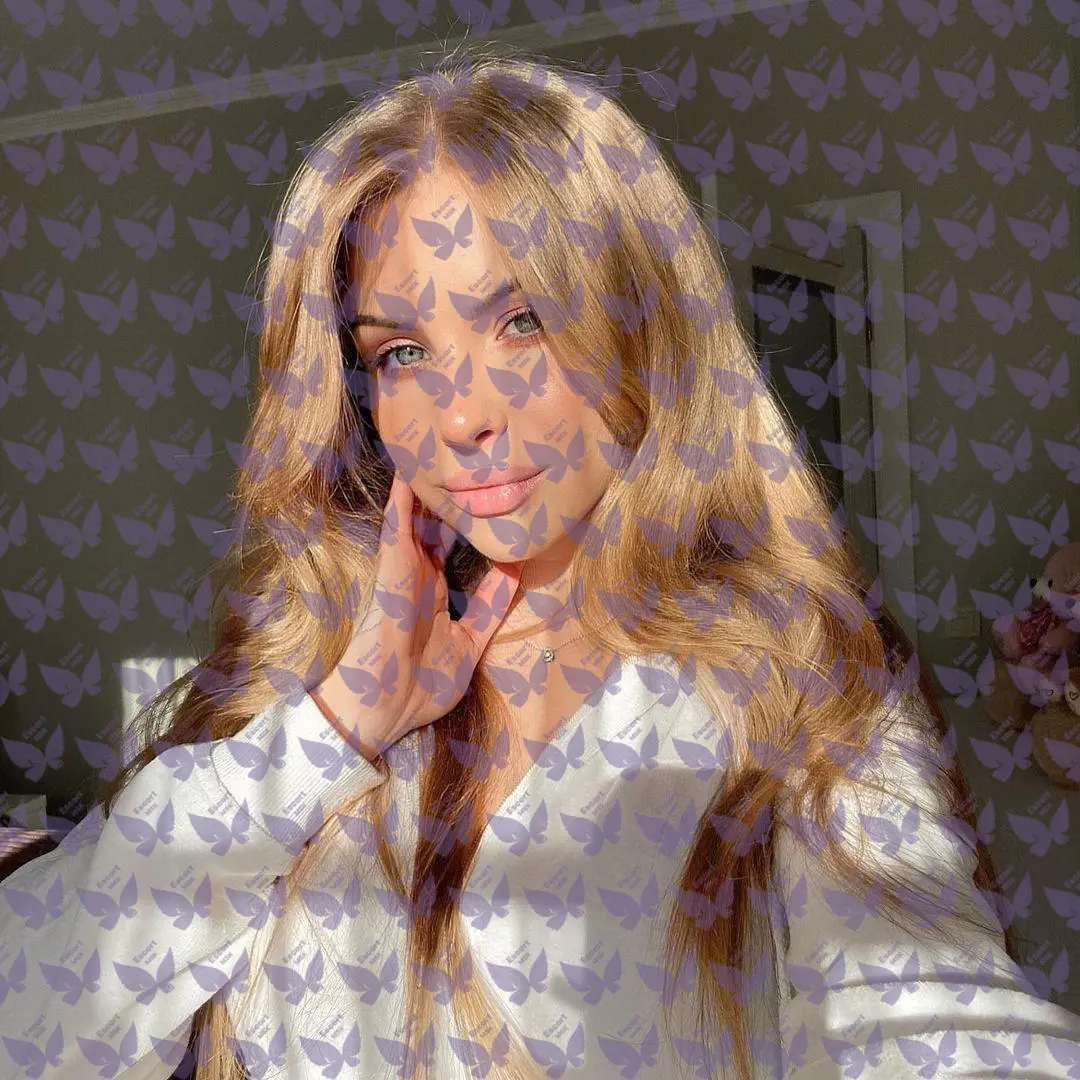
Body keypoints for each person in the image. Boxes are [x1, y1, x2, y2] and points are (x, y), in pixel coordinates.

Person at [2, 43, 1080, 1080]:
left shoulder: (793, 688)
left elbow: (935, 1017)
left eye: (521, 320)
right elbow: (30, 1021)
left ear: (643, 329)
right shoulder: (292, 690)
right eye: (402, 352)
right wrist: (338, 726)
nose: (460, 415)